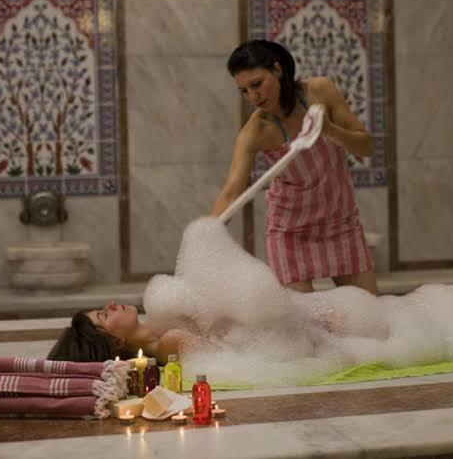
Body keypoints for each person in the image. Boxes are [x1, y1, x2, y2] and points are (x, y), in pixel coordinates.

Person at [211, 39, 377, 295]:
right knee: (300, 317)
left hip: (341, 223)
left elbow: (367, 147)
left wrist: (330, 130)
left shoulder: (320, 92)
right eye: (244, 91)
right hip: (290, 232)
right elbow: (232, 191)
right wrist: (206, 236)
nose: (253, 97)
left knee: (369, 312)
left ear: (277, 70)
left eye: (257, 84)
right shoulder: (255, 132)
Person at [47, 301, 201, 364]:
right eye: (105, 315)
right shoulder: (171, 342)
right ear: (116, 341)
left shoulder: (160, 325)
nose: (111, 304)